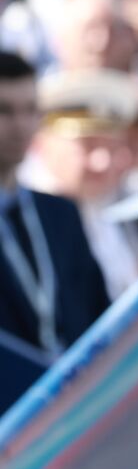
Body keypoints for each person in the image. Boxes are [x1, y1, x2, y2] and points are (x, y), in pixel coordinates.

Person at [0, 52, 109, 354]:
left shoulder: (60, 213)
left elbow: (97, 308)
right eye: (4, 110)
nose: (20, 125)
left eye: (30, 109)